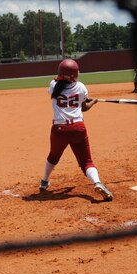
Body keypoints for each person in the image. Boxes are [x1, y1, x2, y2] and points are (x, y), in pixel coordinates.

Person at [40, 58, 113, 201]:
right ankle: (97, 182)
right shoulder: (81, 87)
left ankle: (44, 181)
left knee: (54, 155)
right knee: (86, 161)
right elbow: (84, 108)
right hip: (78, 128)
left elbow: (62, 93)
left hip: (59, 129)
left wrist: (80, 99)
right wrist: (93, 102)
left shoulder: (53, 85)